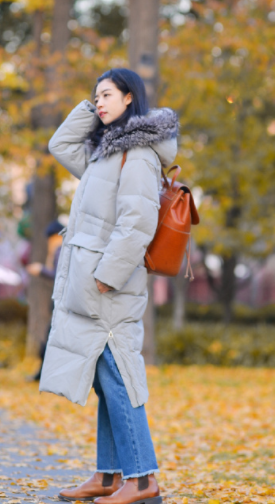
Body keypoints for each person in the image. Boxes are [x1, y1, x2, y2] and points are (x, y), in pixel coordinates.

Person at [39, 68, 179, 504]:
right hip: (91, 282)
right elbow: (59, 145)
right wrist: (89, 110)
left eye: (106, 95)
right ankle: (108, 474)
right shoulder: (104, 153)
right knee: (104, 378)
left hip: (109, 286)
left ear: (129, 98)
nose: (98, 102)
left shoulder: (135, 155)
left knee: (118, 375)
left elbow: (137, 223)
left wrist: (107, 276)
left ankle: (142, 480)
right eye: (95, 97)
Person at [26, 219, 65, 381]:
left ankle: (43, 375)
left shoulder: (61, 250)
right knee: (52, 340)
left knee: (50, 341)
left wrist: (40, 270)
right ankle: (45, 374)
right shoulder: (62, 249)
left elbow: (59, 276)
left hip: (62, 305)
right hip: (62, 305)